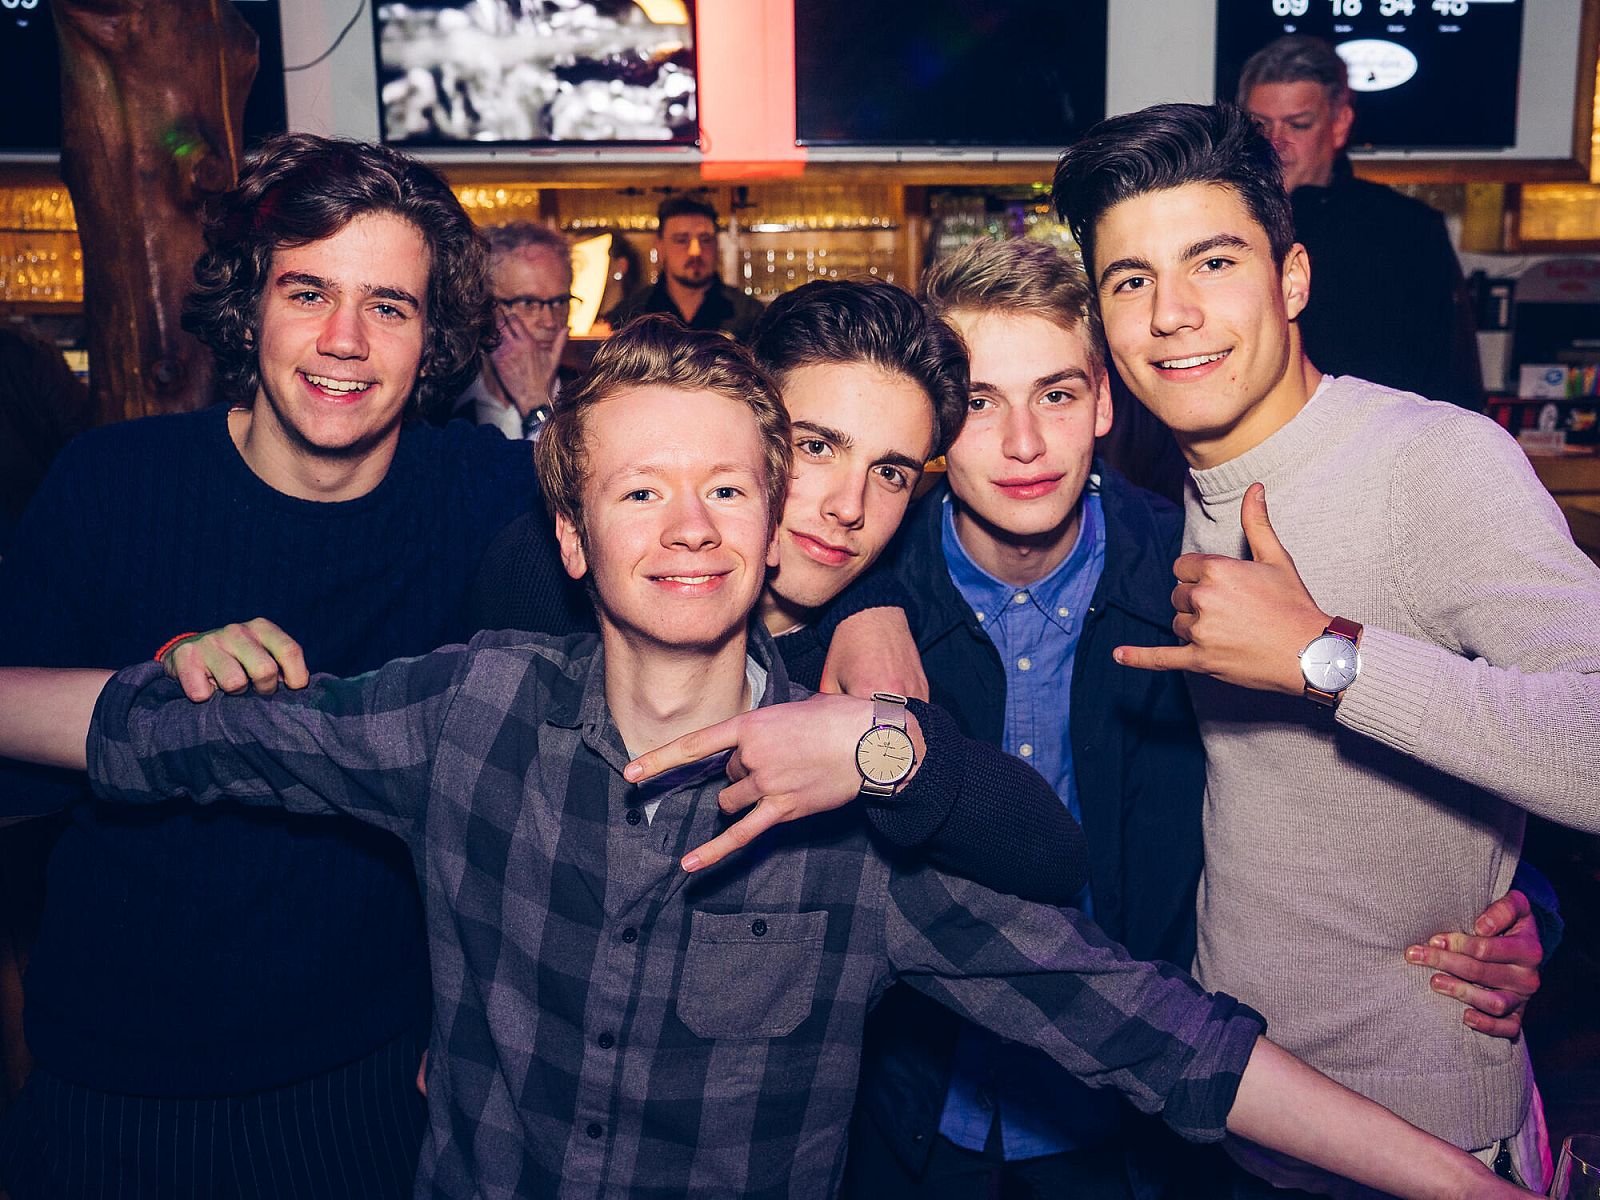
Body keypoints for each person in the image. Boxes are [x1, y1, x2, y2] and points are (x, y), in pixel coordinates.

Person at [0, 317, 1541, 1200]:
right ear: (571, 538)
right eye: (641, 495)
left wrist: (1470, 1186)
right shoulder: (472, 708)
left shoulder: (853, 809)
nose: (689, 528)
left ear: (773, 516)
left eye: (728, 493)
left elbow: (1148, 1029)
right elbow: (161, 737)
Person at [845, 237, 1540, 1200]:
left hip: (1153, 1128)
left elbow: (1364, 766)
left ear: (1103, 401)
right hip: (919, 1118)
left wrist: (1520, 908)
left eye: (1055, 394)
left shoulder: (1204, 577)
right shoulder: (863, 589)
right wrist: (863, 600)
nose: (1023, 444)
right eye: (979, 403)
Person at [0, 132, 581, 1200]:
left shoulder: (489, 498)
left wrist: (867, 610)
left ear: (435, 336)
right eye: (308, 292)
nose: (344, 340)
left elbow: (714, 504)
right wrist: (162, 675)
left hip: (373, 1081)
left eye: (389, 306)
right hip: (114, 1085)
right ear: (250, 307)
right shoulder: (114, 483)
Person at [1053, 101, 1600, 1194]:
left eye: (1213, 261)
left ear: (1292, 279)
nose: (1172, 313)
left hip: (1422, 1137)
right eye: (1130, 280)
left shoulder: (1430, 460)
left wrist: (1325, 656)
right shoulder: (1154, 497)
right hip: (1230, 1112)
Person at [1238, 35, 1483, 410]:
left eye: (1298, 124)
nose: (1276, 142)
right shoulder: (1222, 223)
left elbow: (1452, 383)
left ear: (1339, 124)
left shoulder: (1408, 231)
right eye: (1260, 125)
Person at [446, 221, 573, 438]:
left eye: (560, 302)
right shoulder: (440, 408)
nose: (550, 321)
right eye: (528, 303)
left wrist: (536, 404)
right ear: (483, 307)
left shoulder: (592, 399)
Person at [603, 194, 764, 339]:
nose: (695, 251)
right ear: (660, 246)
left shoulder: (749, 314)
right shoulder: (631, 315)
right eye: (681, 240)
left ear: (717, 245)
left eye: (705, 239)